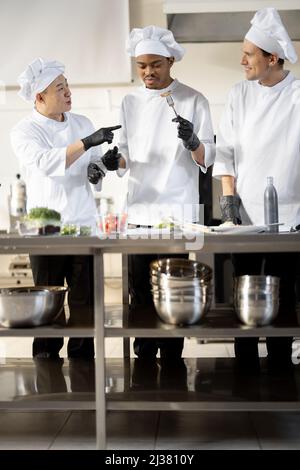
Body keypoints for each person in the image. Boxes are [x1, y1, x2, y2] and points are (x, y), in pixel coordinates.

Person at [113, 26, 215, 361]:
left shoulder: (194, 99)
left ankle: (172, 359)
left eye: (155, 64)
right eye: (141, 65)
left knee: (174, 291)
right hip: (140, 211)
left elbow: (207, 157)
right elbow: (124, 157)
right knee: (139, 292)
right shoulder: (129, 102)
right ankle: (142, 358)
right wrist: (116, 160)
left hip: (176, 213)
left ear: (170, 60)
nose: (147, 72)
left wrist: (192, 141)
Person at [11, 57, 121, 359]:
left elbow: (89, 168)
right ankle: (46, 371)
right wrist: (86, 144)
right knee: (48, 304)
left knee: (86, 305)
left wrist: (102, 166)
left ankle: (85, 372)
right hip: (45, 228)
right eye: (60, 88)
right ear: (40, 96)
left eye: (67, 84)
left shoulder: (82, 122)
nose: (68, 92)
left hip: (83, 223)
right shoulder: (24, 131)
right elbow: (48, 163)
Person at [213, 8, 299, 369]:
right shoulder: (238, 94)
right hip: (244, 216)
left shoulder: (297, 94)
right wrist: (228, 203)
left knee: (283, 295)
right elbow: (226, 152)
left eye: (249, 54)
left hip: (292, 217)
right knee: (244, 295)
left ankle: (280, 373)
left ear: (273, 58)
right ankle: (244, 370)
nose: (242, 60)